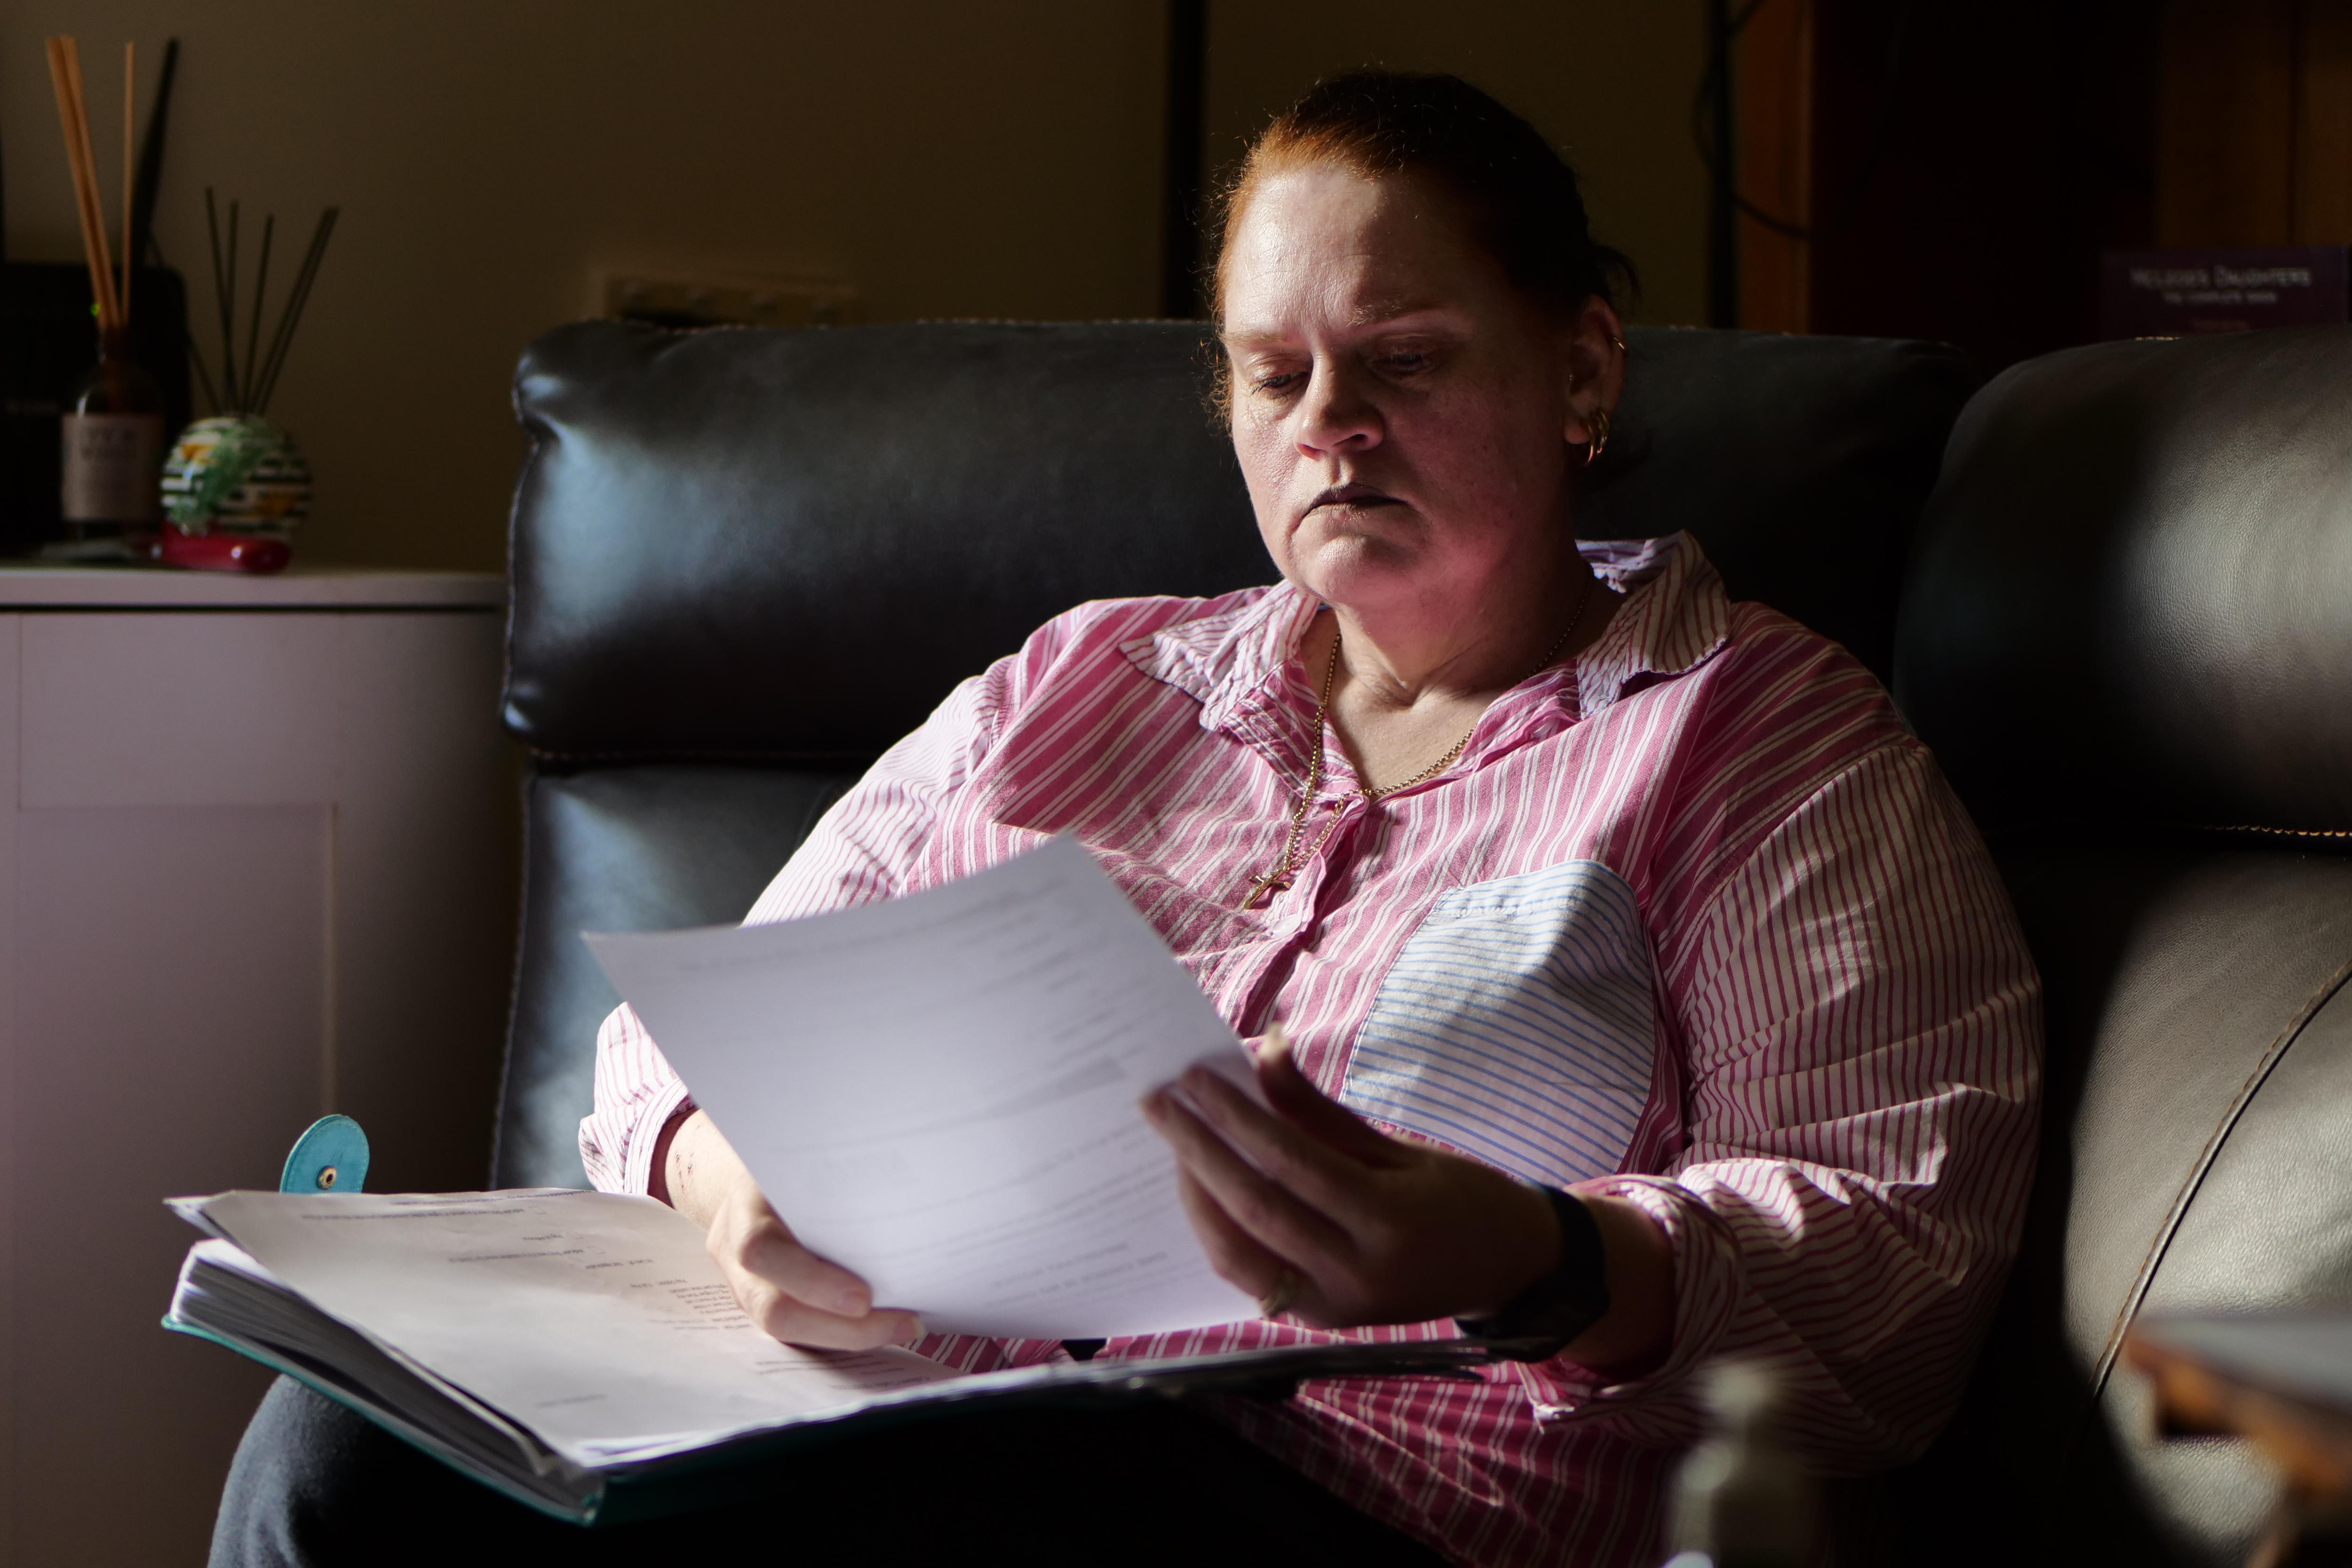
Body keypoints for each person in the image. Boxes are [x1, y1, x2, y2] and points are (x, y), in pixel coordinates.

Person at [213, 71, 2040, 1568]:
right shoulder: (1076, 682)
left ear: (1577, 370)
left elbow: (1894, 1269)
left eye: (1400, 360)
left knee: (991, 1490)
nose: (1330, 428)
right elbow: (683, 1036)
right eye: (1274, 375)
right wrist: (724, 1170)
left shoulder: (1755, 739)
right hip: (890, 1436)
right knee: (347, 1440)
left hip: (1336, 1504)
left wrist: (1539, 1260)